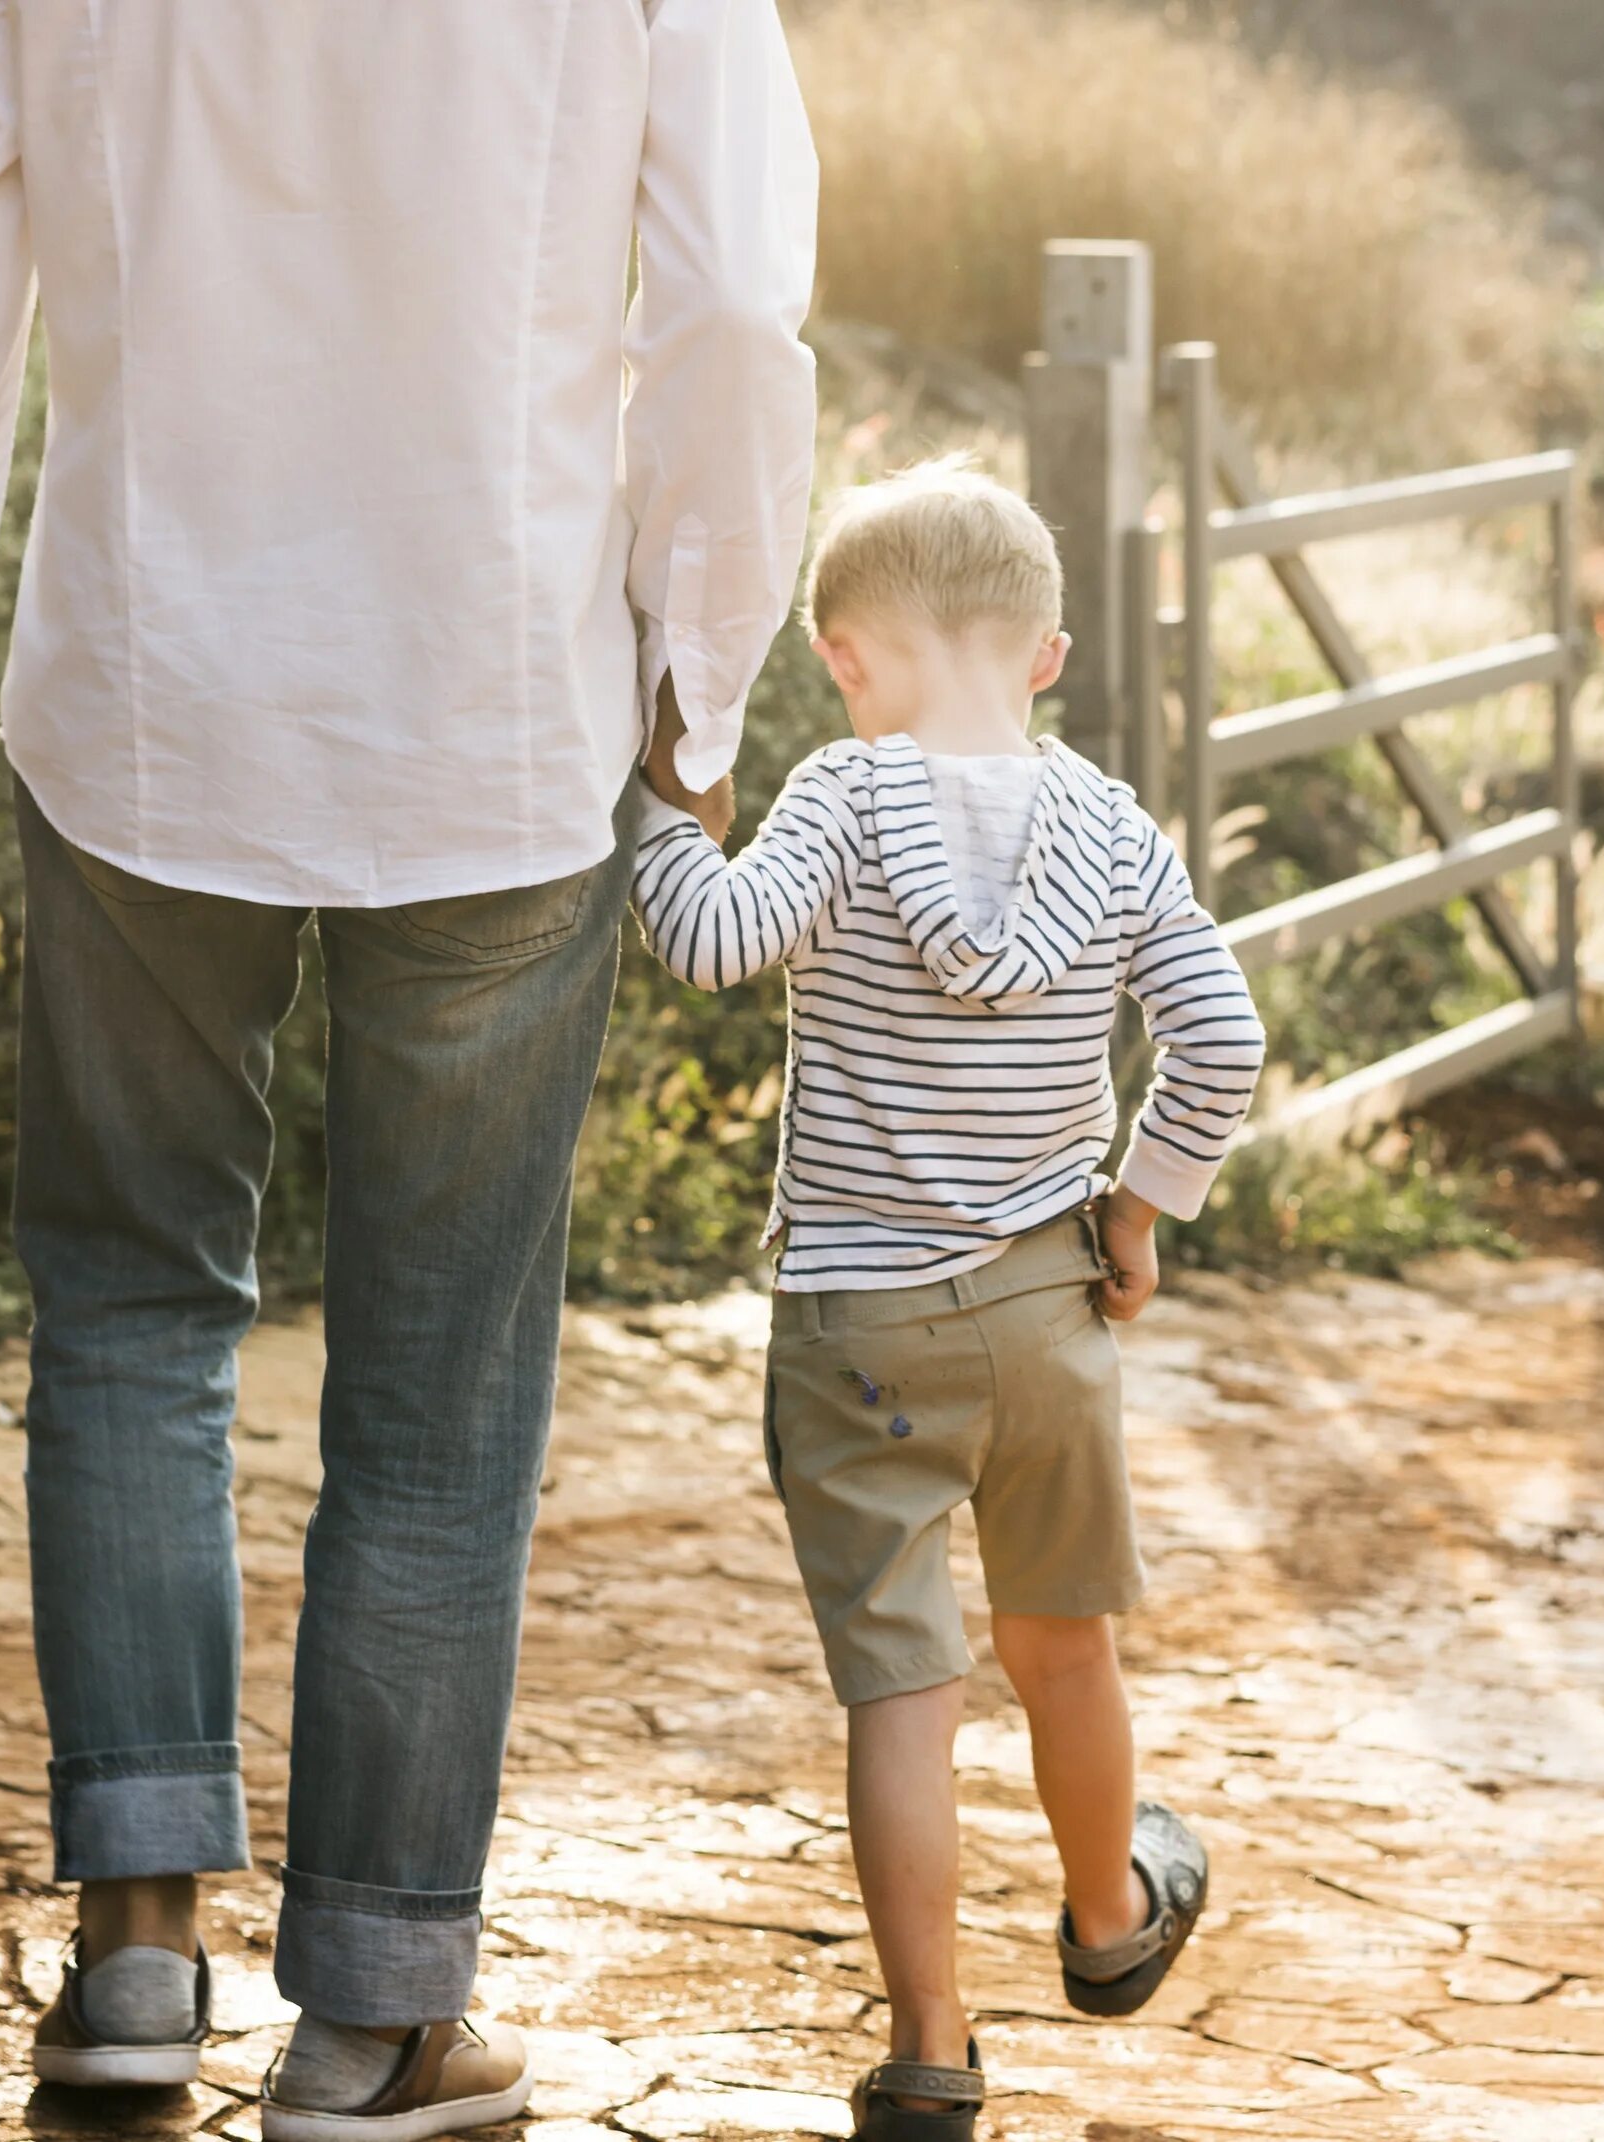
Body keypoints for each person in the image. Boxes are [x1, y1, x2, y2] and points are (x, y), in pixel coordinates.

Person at [0, 1, 817, 2132]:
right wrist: (697, 673)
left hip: (151, 710)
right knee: (443, 1391)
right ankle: (377, 2015)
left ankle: (137, 1961)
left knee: (130, 1317)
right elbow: (729, 315)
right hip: (497, 720)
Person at [628, 460, 1267, 2139]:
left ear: (843, 656)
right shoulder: (1113, 829)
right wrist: (1139, 1204)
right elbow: (1224, 1039)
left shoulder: (842, 799)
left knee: (904, 1692)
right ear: (1047, 653)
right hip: (1050, 1311)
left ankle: (929, 2046)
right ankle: (1114, 1919)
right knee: (1067, 1646)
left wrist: (654, 808)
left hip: (858, 1332)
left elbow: (711, 940)